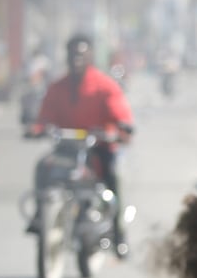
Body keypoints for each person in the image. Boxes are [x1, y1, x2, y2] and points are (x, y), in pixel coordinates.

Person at [27, 34, 135, 257]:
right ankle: (41, 216)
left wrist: (118, 131)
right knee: (42, 167)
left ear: (90, 56)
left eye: (81, 53)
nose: (76, 58)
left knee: (113, 176)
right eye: (72, 53)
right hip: (67, 148)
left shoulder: (105, 86)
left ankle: (118, 234)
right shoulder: (58, 87)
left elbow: (121, 116)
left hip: (98, 148)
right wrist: (37, 129)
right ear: (66, 56)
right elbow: (44, 117)